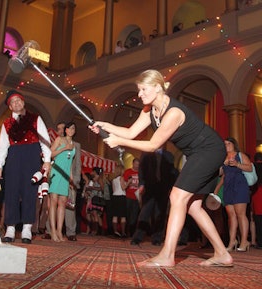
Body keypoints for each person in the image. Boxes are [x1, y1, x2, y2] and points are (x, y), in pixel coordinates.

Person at [89, 69, 233, 267]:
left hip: (209, 150)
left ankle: (167, 255)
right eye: (139, 90)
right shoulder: (149, 110)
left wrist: (118, 141)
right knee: (192, 206)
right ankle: (222, 253)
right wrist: (104, 125)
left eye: (143, 89)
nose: (139, 94)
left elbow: (152, 145)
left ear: (158, 87)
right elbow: (131, 132)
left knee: (176, 197)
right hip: (196, 153)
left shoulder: (173, 112)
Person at [0, 90, 51, 244]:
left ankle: (27, 228)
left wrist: (46, 159)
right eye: (13, 102)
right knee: (11, 191)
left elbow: (44, 139)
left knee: (29, 191)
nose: (16, 103)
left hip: (32, 154)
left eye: (18, 100)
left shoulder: (35, 119)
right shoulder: (6, 123)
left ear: (23, 102)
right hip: (13, 155)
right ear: (10, 107)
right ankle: (10, 228)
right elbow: (2, 146)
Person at [131, 148, 177, 246]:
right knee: (144, 212)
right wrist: (142, 183)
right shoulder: (146, 153)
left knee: (160, 214)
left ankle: (157, 238)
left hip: (163, 188)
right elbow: (141, 169)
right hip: (149, 187)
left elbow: (172, 172)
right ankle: (137, 237)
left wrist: (171, 187)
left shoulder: (169, 155)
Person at [214, 137, 252, 252]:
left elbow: (249, 168)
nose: (226, 146)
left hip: (240, 186)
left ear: (234, 144)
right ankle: (232, 241)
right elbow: (222, 175)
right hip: (228, 187)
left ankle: (244, 241)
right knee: (231, 216)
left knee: (241, 214)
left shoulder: (240, 155)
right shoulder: (223, 158)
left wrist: (237, 164)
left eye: (228, 143)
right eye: (224, 144)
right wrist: (220, 166)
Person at [48, 122, 80, 242]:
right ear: (66, 130)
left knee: (62, 203)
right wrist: (65, 149)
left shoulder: (74, 145)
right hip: (56, 172)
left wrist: (71, 180)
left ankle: (60, 232)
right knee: (54, 201)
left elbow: (70, 163)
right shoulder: (59, 140)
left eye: (73, 128)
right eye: (70, 128)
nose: (72, 130)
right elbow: (50, 154)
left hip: (66, 176)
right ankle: (53, 232)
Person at [123, 158, 141, 236]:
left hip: (137, 197)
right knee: (127, 214)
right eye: (136, 164)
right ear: (133, 163)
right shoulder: (128, 172)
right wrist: (131, 184)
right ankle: (126, 231)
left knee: (135, 215)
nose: (137, 166)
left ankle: (132, 232)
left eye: (138, 165)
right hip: (128, 196)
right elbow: (124, 183)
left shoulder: (141, 173)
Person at [110, 164, 128, 237]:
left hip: (114, 196)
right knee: (123, 215)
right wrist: (129, 182)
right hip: (121, 196)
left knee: (115, 215)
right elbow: (123, 188)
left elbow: (113, 189)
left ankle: (115, 231)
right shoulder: (121, 178)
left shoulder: (113, 179)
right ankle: (123, 232)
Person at [251, 152, 262, 249]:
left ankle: (259, 242)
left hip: (256, 192)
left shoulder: (253, 166)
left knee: (257, 219)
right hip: (258, 191)